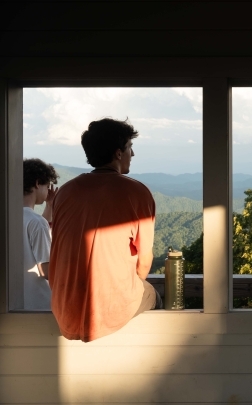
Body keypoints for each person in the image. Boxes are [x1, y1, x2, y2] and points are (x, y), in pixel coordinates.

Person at [49, 118, 161, 342]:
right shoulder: (137, 193)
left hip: (64, 308)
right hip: (109, 313)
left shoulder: (65, 193)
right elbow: (144, 262)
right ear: (119, 153)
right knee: (156, 295)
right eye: (130, 147)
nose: (133, 154)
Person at [22, 158, 59, 310]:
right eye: (46, 185)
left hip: (17, 302)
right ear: (38, 183)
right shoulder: (36, 222)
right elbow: (46, 270)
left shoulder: (9, 216)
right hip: (40, 303)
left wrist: (49, 206)